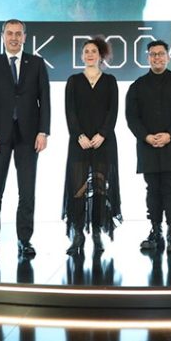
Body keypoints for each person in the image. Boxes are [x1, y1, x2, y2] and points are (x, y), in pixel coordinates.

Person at [0, 18, 51, 259]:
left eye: (19, 33)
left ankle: (25, 240)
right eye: (10, 33)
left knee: (27, 191)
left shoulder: (37, 64)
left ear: (25, 37)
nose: (14, 38)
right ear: (3, 36)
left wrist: (43, 131)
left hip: (29, 137)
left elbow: (45, 99)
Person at [126, 40, 171, 252]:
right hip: (147, 146)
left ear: (168, 57)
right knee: (152, 190)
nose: (157, 57)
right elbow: (132, 118)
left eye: (161, 54)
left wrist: (169, 135)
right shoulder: (137, 86)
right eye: (153, 54)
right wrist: (146, 136)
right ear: (148, 58)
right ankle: (155, 230)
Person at [63, 38, 122, 255]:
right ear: (81, 56)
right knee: (77, 189)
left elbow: (113, 111)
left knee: (100, 189)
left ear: (100, 55)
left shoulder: (110, 81)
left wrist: (102, 134)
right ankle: (78, 234)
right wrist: (79, 135)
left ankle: (97, 233)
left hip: (103, 143)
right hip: (79, 143)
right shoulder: (73, 81)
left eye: (94, 51)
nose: (90, 54)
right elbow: (70, 111)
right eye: (86, 51)